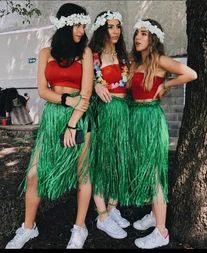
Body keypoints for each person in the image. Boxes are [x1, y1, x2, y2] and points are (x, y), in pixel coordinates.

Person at [5, 3, 93, 249]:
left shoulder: (85, 53)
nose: (81, 29)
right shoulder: (46, 53)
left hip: (79, 118)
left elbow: (85, 94)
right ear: (65, 24)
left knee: (83, 174)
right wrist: (65, 99)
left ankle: (80, 228)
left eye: (83, 25)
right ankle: (28, 228)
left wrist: (72, 124)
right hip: (53, 117)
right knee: (33, 175)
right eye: (77, 24)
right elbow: (43, 91)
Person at [127, 19, 197, 249]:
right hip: (136, 117)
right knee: (145, 169)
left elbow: (190, 73)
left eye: (144, 34)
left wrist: (166, 85)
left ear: (153, 38)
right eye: (137, 33)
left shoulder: (159, 60)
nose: (138, 37)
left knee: (155, 172)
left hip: (150, 119)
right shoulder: (136, 62)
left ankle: (161, 231)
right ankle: (154, 214)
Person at [88, 10, 130, 239]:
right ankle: (102, 215)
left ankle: (113, 209)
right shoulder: (92, 55)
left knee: (119, 160)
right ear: (101, 29)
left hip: (124, 111)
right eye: (109, 26)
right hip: (105, 112)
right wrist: (96, 84)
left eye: (117, 26)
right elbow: (87, 81)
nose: (114, 31)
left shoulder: (123, 55)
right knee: (104, 161)